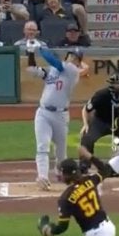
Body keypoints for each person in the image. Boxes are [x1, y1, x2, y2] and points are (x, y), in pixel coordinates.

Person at [26, 43, 86, 191]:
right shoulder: (54, 70)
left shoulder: (72, 71)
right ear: (67, 56)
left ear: (78, 62)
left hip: (61, 116)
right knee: (42, 146)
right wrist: (31, 52)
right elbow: (32, 70)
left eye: (76, 58)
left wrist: (40, 48)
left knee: (61, 152)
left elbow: (54, 61)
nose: (72, 59)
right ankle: (42, 177)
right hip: (43, 113)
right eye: (71, 56)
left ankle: (61, 172)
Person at [78, 73, 119, 171]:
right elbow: (86, 109)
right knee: (87, 138)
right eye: (115, 83)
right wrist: (85, 124)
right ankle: (84, 163)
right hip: (100, 121)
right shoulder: (101, 95)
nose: (117, 86)